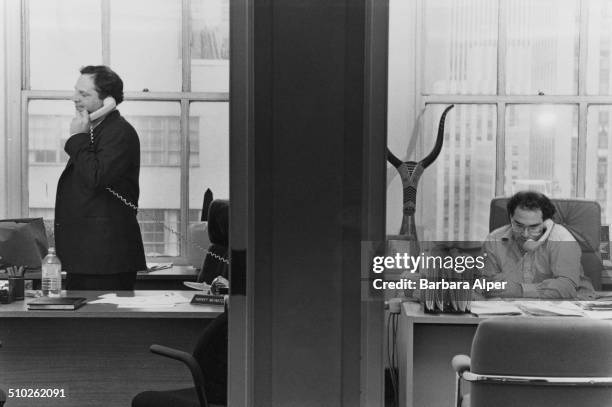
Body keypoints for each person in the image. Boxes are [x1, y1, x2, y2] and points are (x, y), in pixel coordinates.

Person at [54, 65, 146, 290]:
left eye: (84, 94)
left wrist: (77, 137)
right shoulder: (97, 130)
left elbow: (95, 177)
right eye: (76, 91)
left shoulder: (119, 132)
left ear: (108, 101)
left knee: (103, 326)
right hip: (88, 257)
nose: (74, 98)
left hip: (106, 260)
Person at [480, 191, 595, 299]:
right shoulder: (494, 239)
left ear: (547, 223)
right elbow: (486, 283)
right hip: (509, 309)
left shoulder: (562, 239)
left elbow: (567, 287)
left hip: (564, 308)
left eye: (533, 227)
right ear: (511, 218)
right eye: (518, 225)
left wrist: (520, 290)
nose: (525, 234)